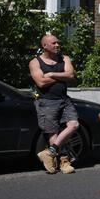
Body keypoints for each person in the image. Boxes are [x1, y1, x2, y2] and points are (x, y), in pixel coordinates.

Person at [29, 34, 79, 174]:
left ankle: (49, 153)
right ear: (45, 46)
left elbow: (71, 75)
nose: (57, 45)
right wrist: (60, 76)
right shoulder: (35, 62)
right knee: (53, 133)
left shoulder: (64, 58)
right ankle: (63, 162)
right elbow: (41, 82)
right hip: (47, 101)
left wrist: (51, 74)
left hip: (64, 99)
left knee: (74, 125)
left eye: (58, 42)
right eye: (54, 43)